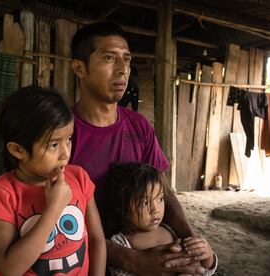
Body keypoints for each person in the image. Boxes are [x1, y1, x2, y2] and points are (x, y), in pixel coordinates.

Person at [70, 21, 206, 275]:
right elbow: (60, 223)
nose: (123, 70)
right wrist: (131, 260)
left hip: (141, 248)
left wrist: (191, 240)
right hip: (86, 260)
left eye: (127, 59)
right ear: (79, 68)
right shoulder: (62, 134)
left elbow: (163, 190)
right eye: (109, 58)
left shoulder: (138, 126)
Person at [0, 86, 106, 276]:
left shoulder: (79, 177)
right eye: (54, 144)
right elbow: (9, 269)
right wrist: (54, 208)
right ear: (18, 150)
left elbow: (96, 240)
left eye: (68, 139)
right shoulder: (2, 194)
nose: (65, 153)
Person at [105, 162, 218, 276]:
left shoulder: (171, 229)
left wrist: (208, 256)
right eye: (145, 203)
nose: (155, 210)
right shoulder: (121, 243)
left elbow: (204, 270)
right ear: (122, 207)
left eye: (160, 199)